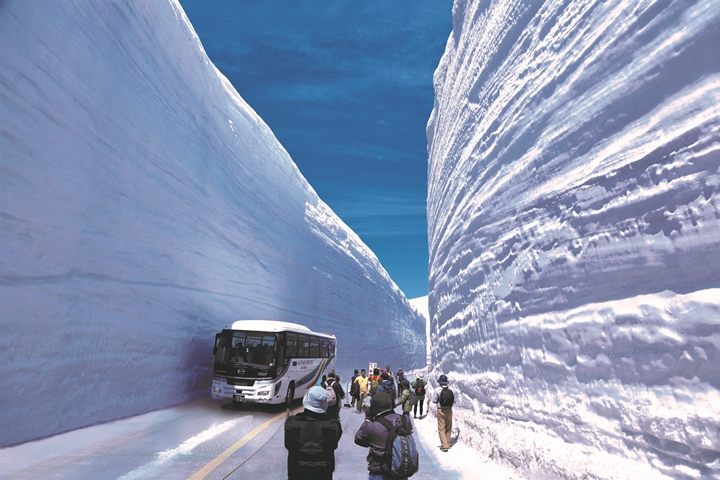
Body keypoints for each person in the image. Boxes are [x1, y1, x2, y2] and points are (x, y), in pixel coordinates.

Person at [284, 385, 342, 479]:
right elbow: (333, 445)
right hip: (323, 471)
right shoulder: (333, 425)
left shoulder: (292, 423)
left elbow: (288, 445)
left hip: (297, 471)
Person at [354, 392, 413, 479]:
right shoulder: (405, 420)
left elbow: (359, 439)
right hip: (400, 472)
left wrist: (367, 418)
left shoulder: (372, 426)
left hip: (379, 472)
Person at [431, 374, 454, 452]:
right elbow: (454, 401)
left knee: (441, 428)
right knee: (448, 427)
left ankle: (444, 446)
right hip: (449, 410)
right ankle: (448, 443)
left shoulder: (437, 390)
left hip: (441, 410)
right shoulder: (450, 390)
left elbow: (433, 400)